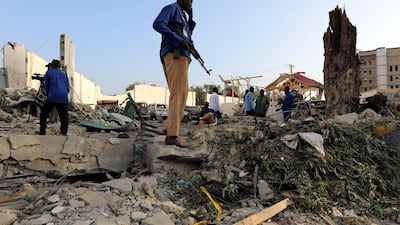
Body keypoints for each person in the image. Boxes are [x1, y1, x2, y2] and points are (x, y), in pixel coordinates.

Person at [153, 0, 195, 148]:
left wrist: (190, 17)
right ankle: (172, 135)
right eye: (189, 0)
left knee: (177, 92)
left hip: (179, 55)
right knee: (180, 92)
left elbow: (186, 34)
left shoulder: (182, 14)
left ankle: (168, 128)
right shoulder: (172, 8)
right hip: (176, 54)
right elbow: (158, 24)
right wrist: (178, 41)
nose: (191, 2)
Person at [39, 59, 70, 135]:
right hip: (63, 97)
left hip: (52, 96)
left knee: (43, 114)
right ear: (59, 66)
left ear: (52, 66)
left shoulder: (49, 73)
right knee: (64, 116)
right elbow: (68, 87)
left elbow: (46, 86)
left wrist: (48, 94)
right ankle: (64, 132)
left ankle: (42, 131)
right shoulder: (64, 74)